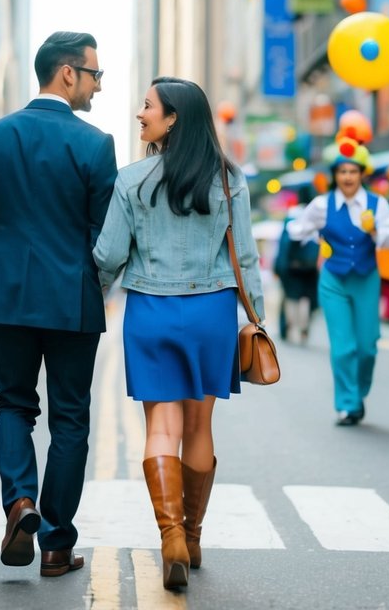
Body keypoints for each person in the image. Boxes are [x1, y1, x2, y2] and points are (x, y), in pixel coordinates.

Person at [93, 77, 264, 591]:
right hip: (212, 310)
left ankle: (168, 537)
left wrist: (95, 295)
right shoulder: (230, 180)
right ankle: (191, 535)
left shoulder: (132, 180)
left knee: (160, 428)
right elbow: (247, 259)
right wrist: (256, 317)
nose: (139, 113)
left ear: (172, 120)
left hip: (151, 310)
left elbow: (108, 256)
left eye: (148, 106)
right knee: (199, 425)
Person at [0, 31, 117, 579]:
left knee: (12, 404)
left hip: (7, 295)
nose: (99, 85)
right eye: (95, 74)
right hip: (73, 299)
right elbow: (105, 234)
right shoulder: (96, 145)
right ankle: (55, 545)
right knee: (70, 419)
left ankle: (19, 503)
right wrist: (100, 289)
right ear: (68, 74)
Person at [287, 130, 389, 426]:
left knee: (367, 346)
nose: (348, 177)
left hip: (366, 278)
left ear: (362, 174)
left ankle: (358, 392)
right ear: (335, 174)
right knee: (343, 346)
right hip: (333, 279)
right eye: (342, 171)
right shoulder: (323, 205)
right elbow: (296, 229)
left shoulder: (377, 205)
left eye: (353, 171)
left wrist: (375, 230)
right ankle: (347, 404)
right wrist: (316, 239)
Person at [274, 202, 319, 343]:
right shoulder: (315, 216)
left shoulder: (290, 219)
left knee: (291, 298)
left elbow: (283, 249)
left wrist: (278, 269)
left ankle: (289, 326)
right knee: (306, 299)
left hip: (291, 269)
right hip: (310, 269)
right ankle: (303, 329)